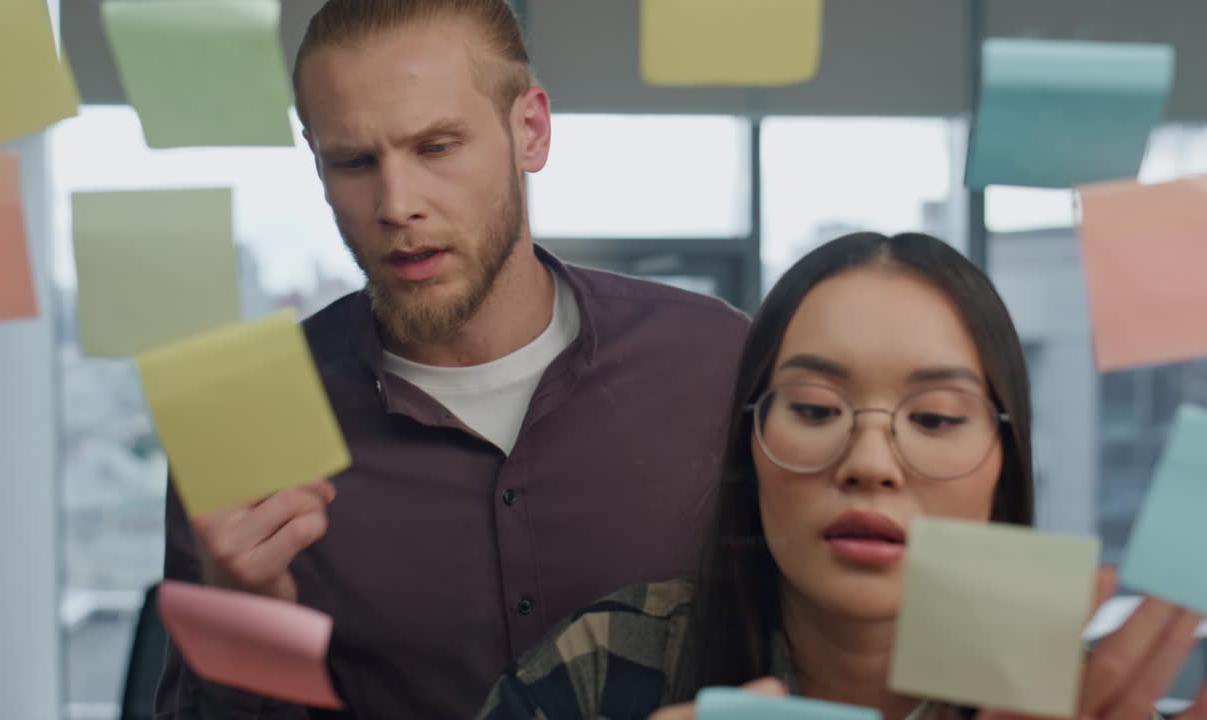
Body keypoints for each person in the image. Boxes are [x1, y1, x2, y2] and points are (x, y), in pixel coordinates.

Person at [154, 1, 749, 718]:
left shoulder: (718, 363)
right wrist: (245, 621)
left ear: (529, 130)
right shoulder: (240, 419)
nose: (397, 204)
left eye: (435, 147)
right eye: (353, 161)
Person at [473, 232, 1207, 720]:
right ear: (750, 444)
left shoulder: (1084, 704)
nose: (869, 465)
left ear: (1004, 466)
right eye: (817, 409)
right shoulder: (606, 664)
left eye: (937, 420)